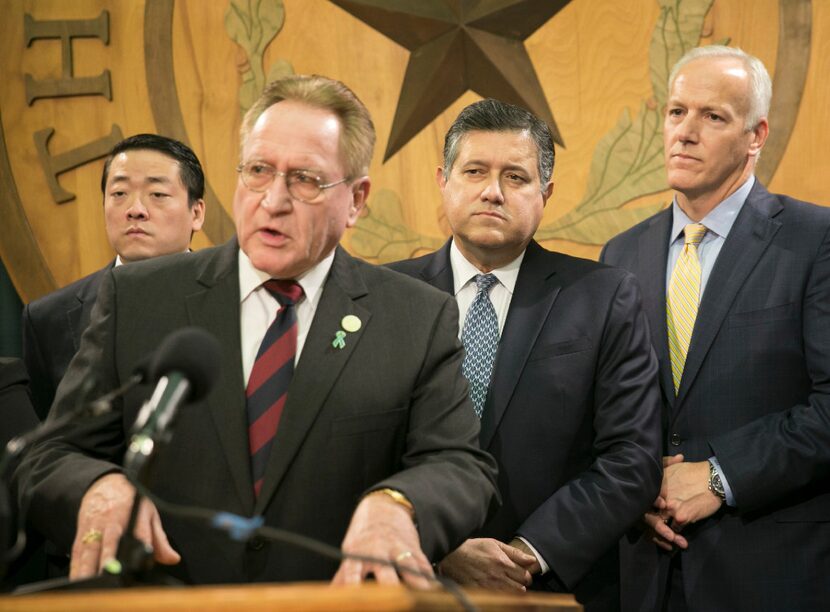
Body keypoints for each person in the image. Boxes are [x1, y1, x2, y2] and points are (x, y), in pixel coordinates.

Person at [13, 75, 498, 587]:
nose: (273, 200)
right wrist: (98, 485)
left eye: (306, 180)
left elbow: (460, 465)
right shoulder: (139, 299)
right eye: (259, 171)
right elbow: (49, 454)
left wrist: (398, 504)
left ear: (356, 200)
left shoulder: (415, 317)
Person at [389, 99, 662, 611]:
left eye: (516, 176)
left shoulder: (603, 296)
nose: (493, 191)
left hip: (553, 588)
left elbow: (631, 457)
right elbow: (359, 452)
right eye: (475, 172)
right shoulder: (387, 296)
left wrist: (526, 555)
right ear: (443, 180)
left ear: (546, 193)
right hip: (411, 584)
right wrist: (439, 549)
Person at [601, 45, 830, 611]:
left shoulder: (815, 240)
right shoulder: (620, 254)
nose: (684, 132)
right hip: (645, 573)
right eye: (676, 112)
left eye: (712, 116)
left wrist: (721, 476)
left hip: (770, 573)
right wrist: (634, 493)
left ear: (756, 135)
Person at [21, 134, 207, 420]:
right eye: (119, 194)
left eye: (157, 194)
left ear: (196, 213)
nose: (135, 210)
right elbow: (47, 444)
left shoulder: (231, 298)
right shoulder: (48, 317)